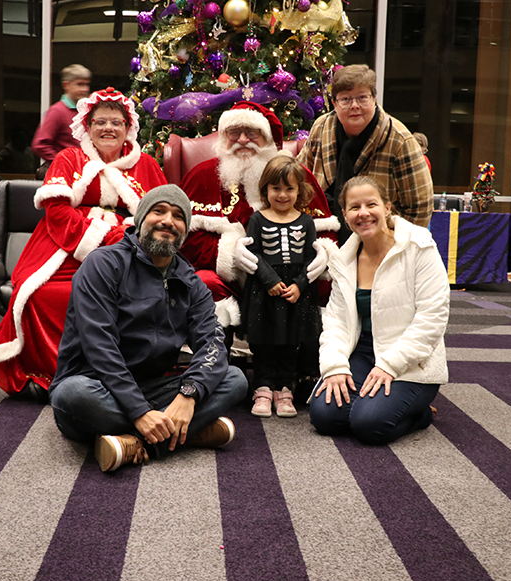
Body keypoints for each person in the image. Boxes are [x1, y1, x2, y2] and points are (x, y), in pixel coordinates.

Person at [0, 87, 168, 400]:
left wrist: (125, 241)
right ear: (87, 128)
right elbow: (57, 212)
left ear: (128, 127)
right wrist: (105, 238)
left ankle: (116, 376)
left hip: (130, 251)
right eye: (100, 122)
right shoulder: (68, 158)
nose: (108, 128)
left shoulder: (146, 164)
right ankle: (58, 375)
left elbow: (162, 214)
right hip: (63, 248)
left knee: (134, 297)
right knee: (42, 295)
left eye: (116, 122)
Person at [49, 184, 247, 472]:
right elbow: (99, 347)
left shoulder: (191, 282)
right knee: (72, 394)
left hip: (154, 386)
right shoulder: (102, 264)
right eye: (159, 211)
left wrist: (188, 394)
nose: (168, 221)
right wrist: (139, 411)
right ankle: (186, 433)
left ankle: (138, 443)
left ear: (185, 229)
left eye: (178, 216)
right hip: (98, 383)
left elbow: (213, 344)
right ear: (141, 219)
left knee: (234, 379)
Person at [310, 176, 449, 445]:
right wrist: (335, 367)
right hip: (362, 351)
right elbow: (335, 322)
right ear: (345, 215)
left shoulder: (419, 247)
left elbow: (432, 319)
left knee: (369, 424)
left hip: (412, 360)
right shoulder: (344, 259)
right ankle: (375, 404)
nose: (363, 213)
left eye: (371, 204)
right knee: (324, 417)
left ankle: (420, 415)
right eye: (354, 207)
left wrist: (389, 366)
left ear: (387, 208)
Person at [180, 101, 339, 329]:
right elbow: (184, 240)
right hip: (233, 285)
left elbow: (326, 231)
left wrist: (322, 252)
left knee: (328, 283)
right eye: (234, 132)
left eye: (252, 132)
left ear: (267, 137)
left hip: (293, 283)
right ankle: (217, 347)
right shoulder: (202, 176)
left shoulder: (297, 175)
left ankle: (307, 347)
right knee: (204, 282)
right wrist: (229, 253)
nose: (243, 140)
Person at [298, 65, 434, 244]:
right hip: (323, 242)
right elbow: (299, 178)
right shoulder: (320, 127)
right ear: (334, 103)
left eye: (362, 97)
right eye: (345, 99)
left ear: (374, 98)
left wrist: (393, 247)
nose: (354, 106)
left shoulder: (400, 140)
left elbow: (420, 208)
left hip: (381, 246)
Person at [241, 155, 322, 419]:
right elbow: (253, 252)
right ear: (265, 189)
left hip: (295, 293)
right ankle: (263, 387)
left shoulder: (306, 222)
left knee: (291, 341)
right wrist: (269, 279)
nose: (283, 194)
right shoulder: (257, 219)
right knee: (262, 342)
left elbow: (311, 258)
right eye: (276, 188)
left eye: (289, 188)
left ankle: (285, 388)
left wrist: (299, 284)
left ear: (299, 190)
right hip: (264, 291)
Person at [31, 64, 92, 172]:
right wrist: (63, 163)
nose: (84, 89)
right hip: (68, 174)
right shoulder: (57, 111)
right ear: (66, 85)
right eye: (79, 84)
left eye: (86, 84)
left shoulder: (87, 111)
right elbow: (40, 144)